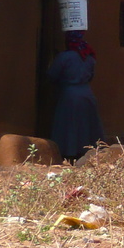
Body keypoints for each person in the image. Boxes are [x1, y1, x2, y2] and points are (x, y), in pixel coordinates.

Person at [47, 31, 105, 161]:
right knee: (86, 124)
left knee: (69, 124)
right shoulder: (88, 57)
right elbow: (91, 76)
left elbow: (52, 74)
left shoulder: (64, 57)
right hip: (87, 94)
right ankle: (86, 153)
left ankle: (69, 153)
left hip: (70, 95)